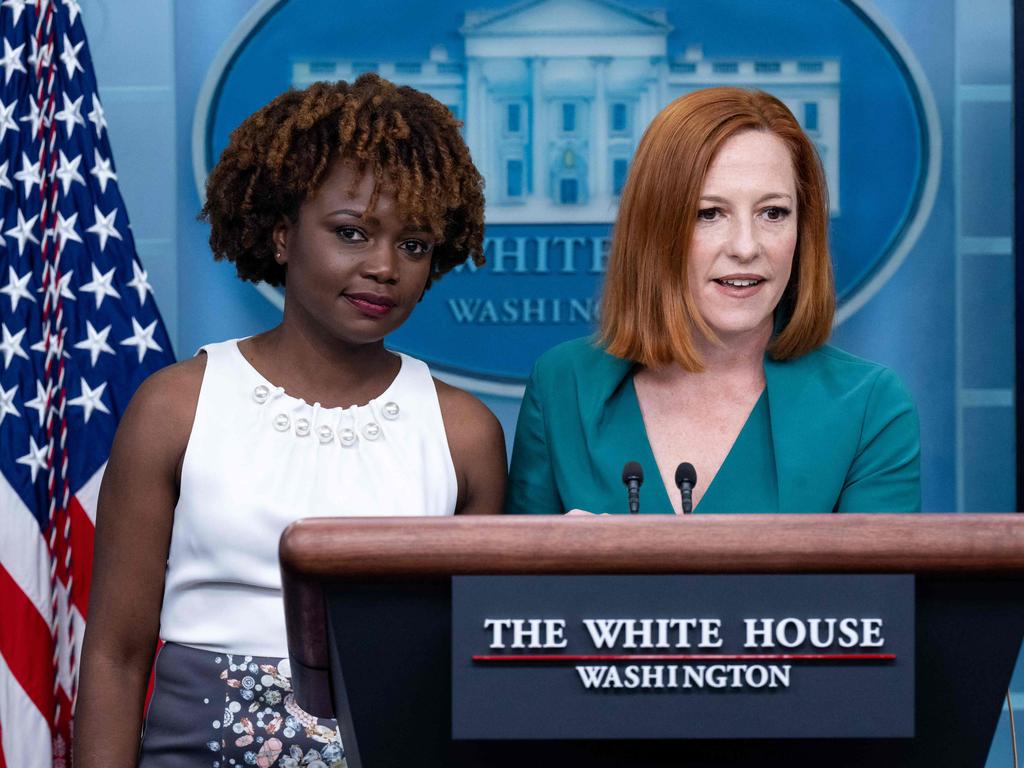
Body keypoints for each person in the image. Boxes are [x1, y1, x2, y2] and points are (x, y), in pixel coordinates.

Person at [75, 74, 507, 767]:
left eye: (415, 245)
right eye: (351, 232)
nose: (384, 267)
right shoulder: (176, 406)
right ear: (280, 234)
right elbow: (115, 657)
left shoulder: (464, 433)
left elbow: (475, 677)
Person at [506, 87, 920, 516]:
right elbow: (511, 583)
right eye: (709, 213)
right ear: (654, 229)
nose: (745, 247)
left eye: (773, 213)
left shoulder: (869, 404)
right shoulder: (562, 385)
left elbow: (876, 586)